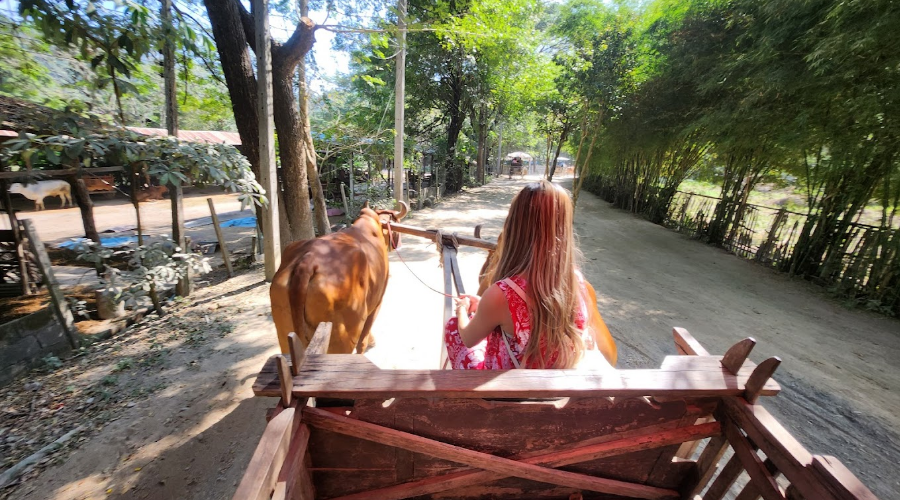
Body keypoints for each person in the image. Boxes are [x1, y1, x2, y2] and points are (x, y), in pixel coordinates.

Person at [444, 180, 614, 370]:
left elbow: (468, 338)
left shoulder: (501, 293)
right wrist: (483, 304)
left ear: (514, 226)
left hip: (515, 385)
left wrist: (462, 309)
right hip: (562, 377)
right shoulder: (577, 281)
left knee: (452, 327)